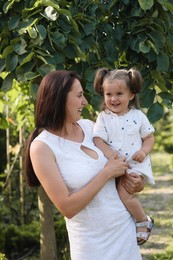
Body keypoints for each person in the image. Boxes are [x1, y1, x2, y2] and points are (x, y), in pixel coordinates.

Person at [24, 70, 145, 260]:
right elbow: (67, 208)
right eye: (79, 96)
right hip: (91, 245)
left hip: (124, 233)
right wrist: (106, 173)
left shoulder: (90, 127)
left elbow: (119, 169)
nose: (85, 102)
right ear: (60, 98)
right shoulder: (42, 147)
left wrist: (137, 183)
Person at [93, 67, 155, 245]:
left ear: (131, 95)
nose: (113, 99)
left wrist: (143, 151)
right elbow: (98, 140)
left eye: (119, 93)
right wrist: (110, 154)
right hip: (115, 164)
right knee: (113, 195)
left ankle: (143, 220)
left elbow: (149, 138)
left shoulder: (138, 116)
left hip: (135, 164)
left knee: (124, 193)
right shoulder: (103, 117)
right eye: (108, 94)